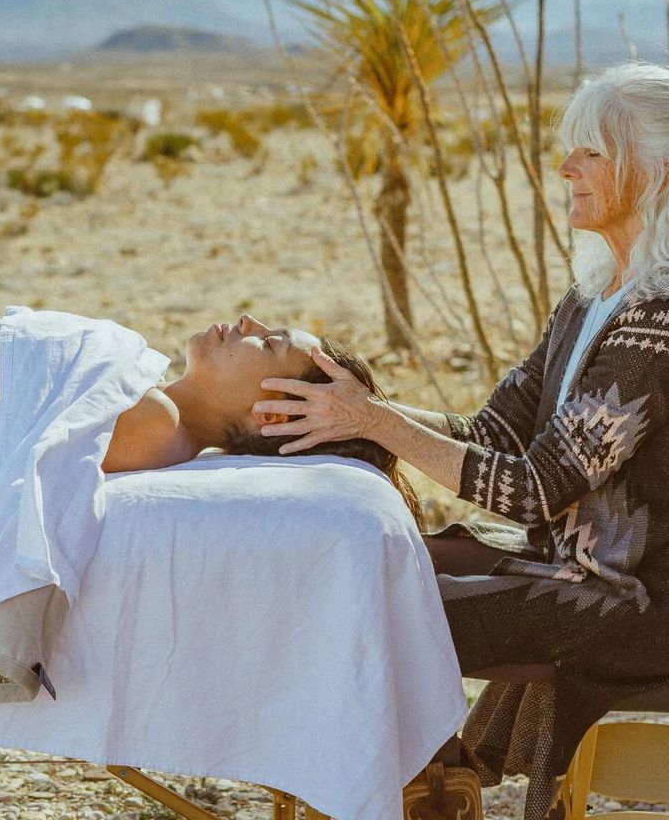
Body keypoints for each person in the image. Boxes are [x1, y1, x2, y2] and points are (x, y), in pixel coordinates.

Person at [252, 60, 669, 820]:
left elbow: (539, 487)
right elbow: (491, 434)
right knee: (356, 573)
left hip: (637, 601)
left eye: (591, 151)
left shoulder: (656, 317)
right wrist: (352, 408)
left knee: (370, 608)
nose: (563, 166)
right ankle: (431, 784)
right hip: (570, 564)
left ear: (658, 171)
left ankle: (408, 791)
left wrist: (371, 421)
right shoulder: (594, 297)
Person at [103, 312, 424, 527]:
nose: (247, 321)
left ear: (271, 414)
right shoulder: (150, 393)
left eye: (269, 344)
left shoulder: (154, 421)